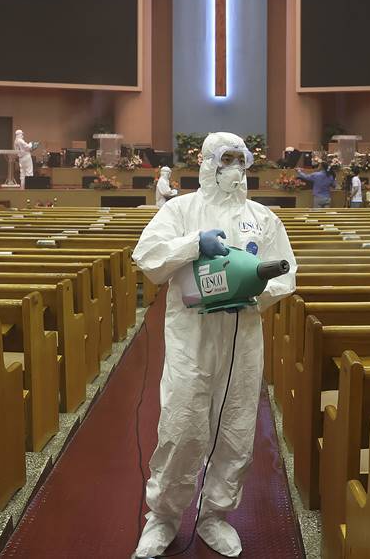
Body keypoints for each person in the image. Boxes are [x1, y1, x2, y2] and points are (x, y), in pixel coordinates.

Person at [132, 132, 297, 558]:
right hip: (191, 335)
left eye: (240, 159)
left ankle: (214, 516)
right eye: (225, 159)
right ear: (207, 162)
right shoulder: (180, 209)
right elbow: (148, 258)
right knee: (182, 424)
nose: (234, 168)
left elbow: (286, 274)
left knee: (236, 427)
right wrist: (193, 245)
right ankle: (163, 517)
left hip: (242, 335)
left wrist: (250, 293)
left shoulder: (262, 217)